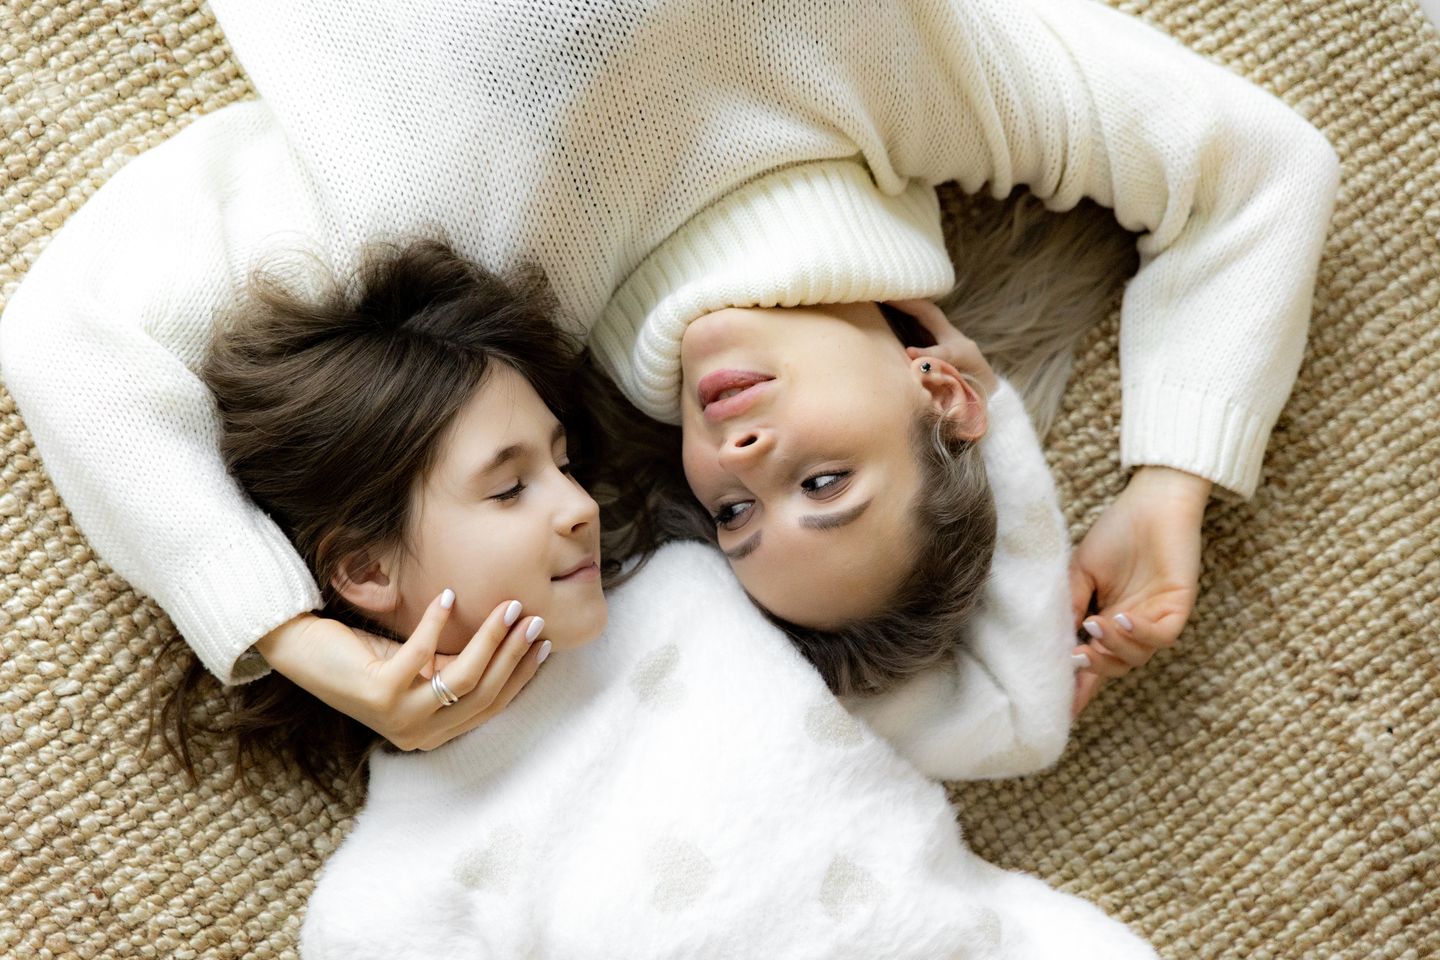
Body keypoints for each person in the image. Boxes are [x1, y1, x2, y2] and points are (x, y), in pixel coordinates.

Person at [0, 0, 1341, 748]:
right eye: (828, 481)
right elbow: (1259, 168)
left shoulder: (458, 275)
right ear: (944, 388)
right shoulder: (921, 82)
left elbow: (71, 340)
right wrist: (1172, 483)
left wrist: (293, 641)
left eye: (739, 515)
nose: (745, 465)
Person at [177, 237, 1149, 958]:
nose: (578, 508)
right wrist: (277, 629)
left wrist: (980, 412)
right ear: (366, 573)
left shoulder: (702, 594)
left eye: (564, 465)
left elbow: (1023, 717)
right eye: (510, 489)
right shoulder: (407, 868)